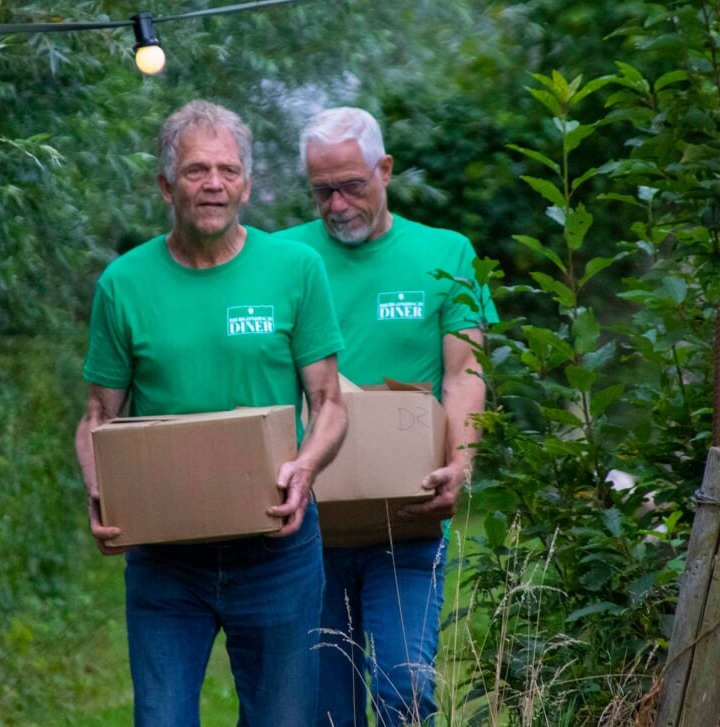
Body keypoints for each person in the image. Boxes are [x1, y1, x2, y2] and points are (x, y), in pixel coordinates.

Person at [74, 99, 349, 727]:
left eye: (228, 170)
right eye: (197, 171)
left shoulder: (295, 269)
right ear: (166, 184)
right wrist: (100, 489)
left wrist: (305, 468)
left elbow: (329, 402)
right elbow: (97, 415)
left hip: (275, 548)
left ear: (248, 185)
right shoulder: (124, 283)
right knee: (161, 719)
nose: (214, 184)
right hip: (167, 556)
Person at [276, 106, 496, 727]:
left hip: (408, 514)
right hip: (307, 520)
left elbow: (465, 372)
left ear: (386, 169)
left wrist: (460, 464)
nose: (338, 204)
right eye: (323, 191)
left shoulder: (445, 252)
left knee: (403, 690)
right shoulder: (281, 258)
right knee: (324, 706)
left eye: (353, 185)